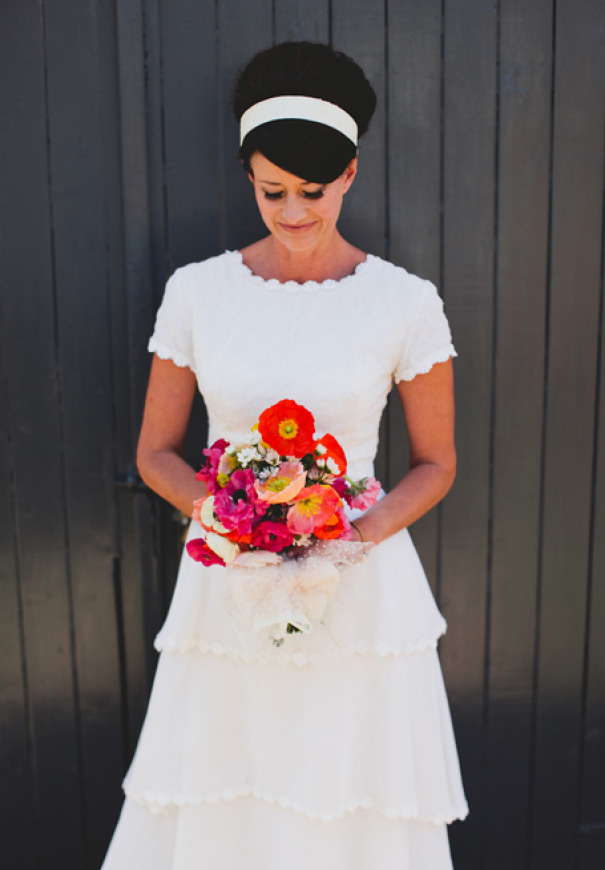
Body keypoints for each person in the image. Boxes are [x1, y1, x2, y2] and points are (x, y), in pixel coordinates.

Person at [101, 41, 468, 869]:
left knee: (346, 781)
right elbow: (157, 451)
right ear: (248, 176)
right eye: (273, 191)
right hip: (228, 577)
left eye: (313, 190)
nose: (294, 210)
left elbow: (435, 462)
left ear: (349, 174)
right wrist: (233, 523)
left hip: (358, 579)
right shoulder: (198, 292)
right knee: (226, 776)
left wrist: (347, 539)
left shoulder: (404, 303)